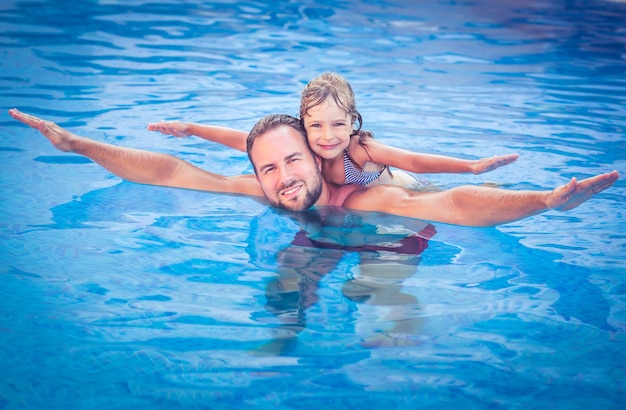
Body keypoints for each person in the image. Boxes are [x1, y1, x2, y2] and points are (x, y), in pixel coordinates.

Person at [9, 108, 619, 227]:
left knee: (385, 304)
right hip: (321, 234)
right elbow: (169, 171)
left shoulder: (352, 190)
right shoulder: (261, 186)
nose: (282, 179)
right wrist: (80, 145)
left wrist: (543, 201)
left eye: (292, 161)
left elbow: (454, 205)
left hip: (394, 215)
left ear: (317, 155)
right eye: (268, 169)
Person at [147, 72, 519, 187]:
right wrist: (191, 128)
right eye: (317, 125)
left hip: (407, 189)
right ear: (304, 125)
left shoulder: (360, 150)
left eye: (339, 124)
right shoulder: (304, 144)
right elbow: (243, 141)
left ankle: (484, 185)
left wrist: (471, 167)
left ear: (353, 122)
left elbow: (413, 161)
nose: (328, 136)